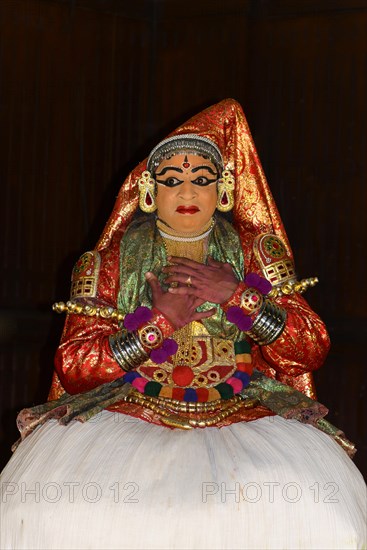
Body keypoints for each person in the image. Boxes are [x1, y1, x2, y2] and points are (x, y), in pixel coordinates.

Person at [0, 99, 365, 550]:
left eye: (201, 180)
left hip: (245, 412)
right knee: (50, 509)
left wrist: (240, 297)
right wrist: (156, 325)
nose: (187, 193)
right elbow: (74, 365)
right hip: (128, 411)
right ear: (149, 192)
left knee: (306, 506)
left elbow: (310, 348)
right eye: (172, 181)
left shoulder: (256, 253)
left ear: (225, 189)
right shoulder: (106, 262)